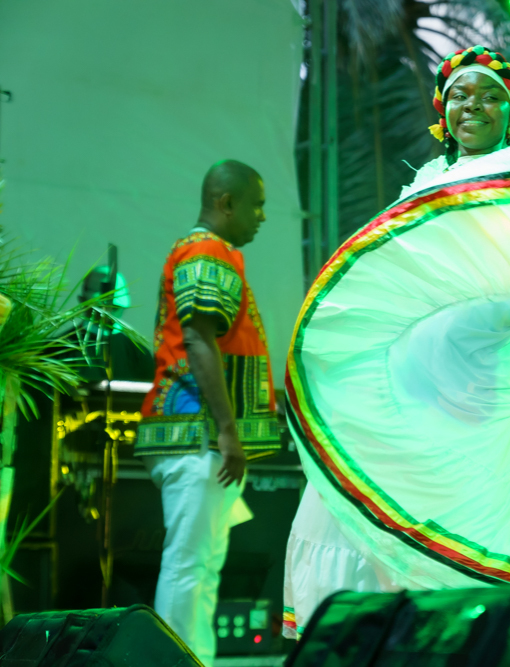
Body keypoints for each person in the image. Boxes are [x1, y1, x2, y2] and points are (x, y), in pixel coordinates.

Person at [282, 45, 510, 637]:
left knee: (470, 533)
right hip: (417, 384)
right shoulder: (423, 186)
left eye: (490, 96)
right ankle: (374, 641)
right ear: (441, 112)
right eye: (459, 96)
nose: (473, 106)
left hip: (503, 396)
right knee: (372, 510)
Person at [136, 160, 281, 666]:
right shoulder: (207, 252)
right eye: (256, 205)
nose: (262, 216)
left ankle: (192, 658)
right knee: (190, 565)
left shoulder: (207, 253)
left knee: (200, 565)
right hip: (197, 435)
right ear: (226, 203)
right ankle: (178, 661)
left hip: (197, 436)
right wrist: (227, 431)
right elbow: (199, 339)